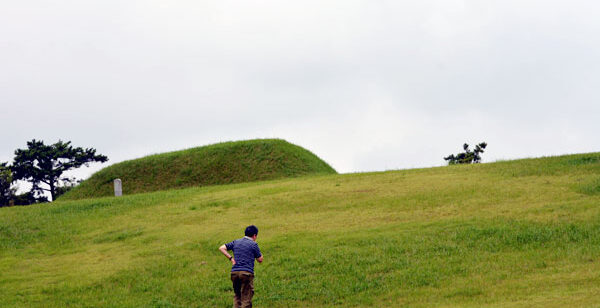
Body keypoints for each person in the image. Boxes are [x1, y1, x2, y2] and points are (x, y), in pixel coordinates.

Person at [219, 225, 264, 308]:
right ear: (254, 235)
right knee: (246, 298)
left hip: (234, 273)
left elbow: (221, 248)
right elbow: (260, 259)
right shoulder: (253, 244)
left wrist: (231, 259)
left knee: (237, 296)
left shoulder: (236, 242)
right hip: (246, 273)